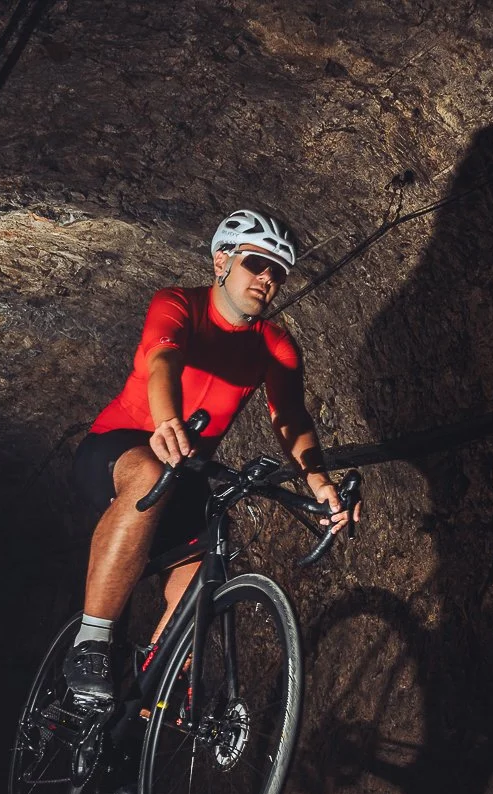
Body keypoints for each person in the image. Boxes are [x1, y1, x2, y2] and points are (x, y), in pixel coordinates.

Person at [64, 209, 358, 706]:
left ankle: (143, 702)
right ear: (222, 260)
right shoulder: (179, 303)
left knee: (211, 550)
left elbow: (290, 417)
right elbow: (163, 360)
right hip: (118, 449)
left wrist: (320, 484)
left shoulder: (276, 344)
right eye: (257, 263)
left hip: (186, 469)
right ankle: (91, 644)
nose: (268, 279)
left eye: (278, 273)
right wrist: (166, 421)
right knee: (151, 470)